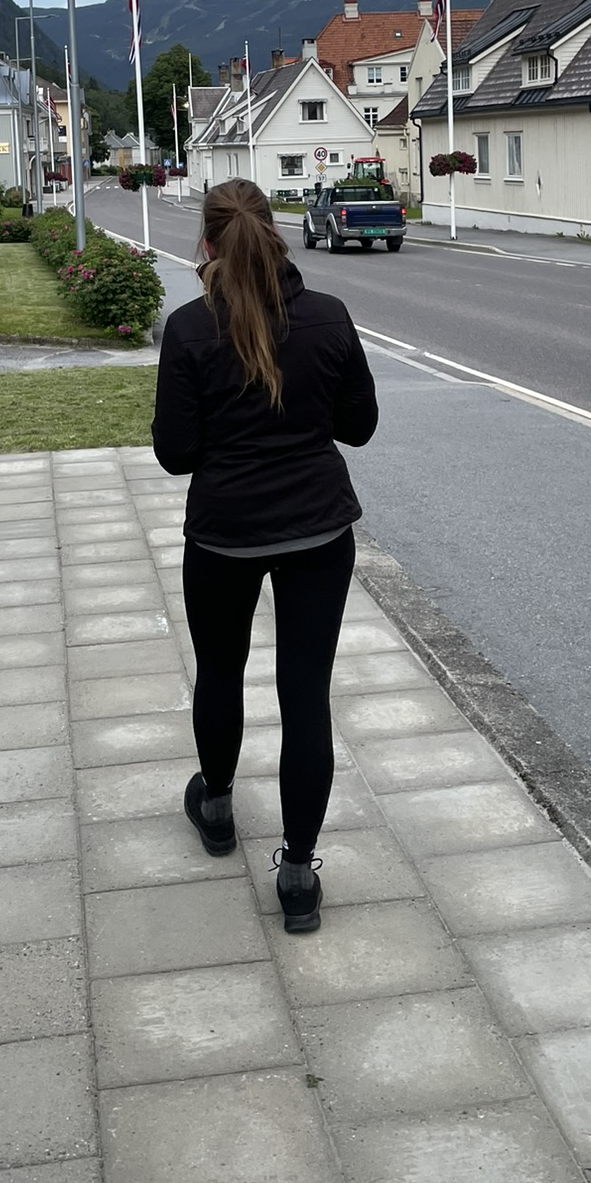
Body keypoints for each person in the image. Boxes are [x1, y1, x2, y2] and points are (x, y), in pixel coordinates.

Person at [151, 177, 379, 933]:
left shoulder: (190, 328)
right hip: (318, 531)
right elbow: (359, 426)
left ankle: (217, 806)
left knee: (220, 671)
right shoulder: (328, 315)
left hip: (225, 533)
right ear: (276, 235)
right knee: (305, 695)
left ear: (207, 242)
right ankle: (298, 873)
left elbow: (177, 453)